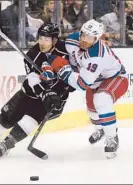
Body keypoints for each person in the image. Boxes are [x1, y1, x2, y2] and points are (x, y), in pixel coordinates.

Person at [0, 23, 75, 158]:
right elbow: (32, 78)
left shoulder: (66, 51)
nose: (42, 42)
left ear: (54, 40)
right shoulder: (33, 54)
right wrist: (44, 92)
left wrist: (68, 86)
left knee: (29, 121)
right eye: (40, 38)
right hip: (30, 93)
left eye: (46, 39)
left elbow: (76, 71)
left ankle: (7, 144)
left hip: (51, 99)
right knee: (6, 118)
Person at [48, 19, 128, 159]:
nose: (84, 39)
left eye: (90, 37)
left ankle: (112, 137)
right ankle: (100, 130)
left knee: (101, 100)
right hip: (94, 81)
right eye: (83, 35)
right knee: (91, 112)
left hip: (116, 78)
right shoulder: (72, 40)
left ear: (96, 39)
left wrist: (64, 71)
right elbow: (64, 54)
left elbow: (82, 84)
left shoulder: (97, 55)